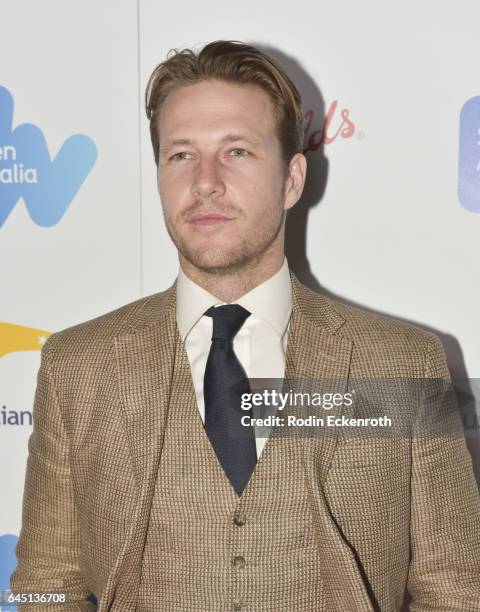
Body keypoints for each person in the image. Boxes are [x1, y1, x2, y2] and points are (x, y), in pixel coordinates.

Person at [10, 40, 480, 611]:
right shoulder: (78, 366)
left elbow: (457, 592)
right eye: (180, 155)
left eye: (236, 151)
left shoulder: (404, 364)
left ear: (292, 179)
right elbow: (43, 583)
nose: (205, 182)